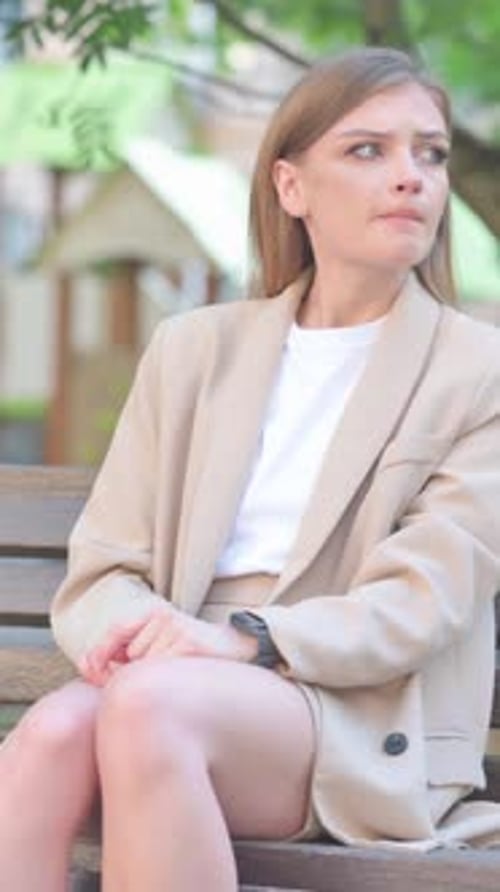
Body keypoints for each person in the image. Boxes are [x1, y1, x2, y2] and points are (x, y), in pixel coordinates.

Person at [1, 45, 500, 892]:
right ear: (290, 187)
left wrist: (246, 639)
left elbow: (425, 599)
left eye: (431, 153)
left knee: (149, 711)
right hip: (176, 678)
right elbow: (104, 569)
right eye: (367, 149)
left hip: (363, 712)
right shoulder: (194, 349)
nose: (410, 176)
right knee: (48, 736)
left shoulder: (477, 369)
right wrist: (147, 637)